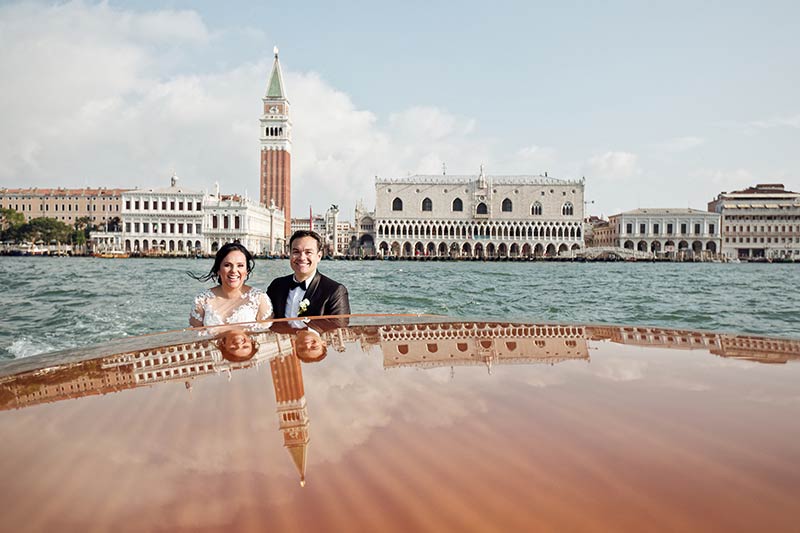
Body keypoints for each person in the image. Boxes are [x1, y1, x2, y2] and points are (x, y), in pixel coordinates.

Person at [267, 230, 350, 319]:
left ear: (319, 256)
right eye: (296, 252)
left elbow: (339, 328)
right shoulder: (276, 285)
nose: (302, 257)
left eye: (308, 252)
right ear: (290, 254)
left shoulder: (335, 291)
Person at [189, 242, 273, 326]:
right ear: (218, 269)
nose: (233, 270)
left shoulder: (259, 298)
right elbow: (193, 336)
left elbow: (268, 336)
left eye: (240, 265)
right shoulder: (202, 300)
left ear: (247, 270)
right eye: (227, 265)